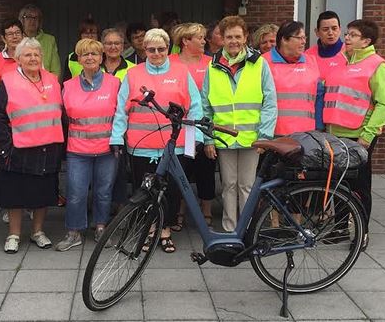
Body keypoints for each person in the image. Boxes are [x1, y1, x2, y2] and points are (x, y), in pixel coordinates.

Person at [110, 28, 204, 253]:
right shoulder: (132, 75)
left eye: (161, 49)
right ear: (144, 51)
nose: (156, 53)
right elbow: (121, 110)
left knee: (171, 191)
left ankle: (165, 230)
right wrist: (116, 137)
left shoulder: (182, 72)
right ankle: (149, 229)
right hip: (141, 146)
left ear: (168, 49)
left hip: (175, 146)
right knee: (144, 192)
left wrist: (196, 138)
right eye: (151, 49)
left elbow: (195, 108)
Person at [323, 19, 385, 251]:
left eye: (353, 35)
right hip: (336, 133)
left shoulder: (377, 66)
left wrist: (367, 135)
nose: (347, 38)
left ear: (367, 41)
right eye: (348, 34)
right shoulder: (343, 62)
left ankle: (362, 232)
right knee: (338, 183)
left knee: (359, 185)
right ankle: (340, 227)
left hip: (358, 136)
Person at [0, 38, 64, 253]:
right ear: (18, 59)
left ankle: (37, 232)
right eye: (28, 55)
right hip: (19, 148)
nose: (33, 58)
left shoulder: (52, 79)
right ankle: (13, 234)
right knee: (16, 194)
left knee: (43, 192)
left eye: (36, 54)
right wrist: (6, 144)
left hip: (48, 147)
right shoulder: (8, 80)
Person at [202, 15, 277, 232]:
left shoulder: (259, 64)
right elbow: (206, 105)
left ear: (245, 38)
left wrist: (264, 136)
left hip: (252, 138)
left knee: (247, 186)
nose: (233, 41)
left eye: (237, 36)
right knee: (228, 185)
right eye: (228, 37)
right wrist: (208, 138)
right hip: (223, 136)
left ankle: (246, 229)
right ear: (221, 40)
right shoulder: (212, 66)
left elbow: (270, 102)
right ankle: (230, 229)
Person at [55, 39, 120, 251]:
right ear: (79, 59)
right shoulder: (68, 86)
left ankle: (101, 227)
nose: (90, 57)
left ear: (102, 58)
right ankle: (74, 232)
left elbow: (120, 116)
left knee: (103, 192)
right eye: (85, 54)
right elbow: (62, 117)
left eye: (94, 54)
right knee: (76, 192)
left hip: (107, 150)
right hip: (78, 150)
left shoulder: (115, 83)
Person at [169, 22, 215, 228]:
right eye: (200, 37)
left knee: (206, 166)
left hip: (204, 122)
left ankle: (206, 211)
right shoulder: (170, 62)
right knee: (183, 167)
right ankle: (179, 210)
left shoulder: (211, 63)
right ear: (186, 41)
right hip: (180, 125)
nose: (205, 41)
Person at [263, 21, 323, 136]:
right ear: (284, 40)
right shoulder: (263, 63)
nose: (304, 42)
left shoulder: (312, 62)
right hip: (273, 135)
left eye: (304, 37)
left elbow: (319, 96)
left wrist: (319, 128)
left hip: (307, 135)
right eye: (299, 38)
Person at [0, 18, 24, 97]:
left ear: (23, 36)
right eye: (10, 34)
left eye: (17, 33)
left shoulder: (32, 57)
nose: (14, 36)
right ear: (3, 38)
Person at [18, 4, 61, 77]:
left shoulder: (49, 40)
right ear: (22, 20)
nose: (32, 20)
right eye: (28, 17)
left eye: (35, 18)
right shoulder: (17, 40)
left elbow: (56, 70)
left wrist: (49, 86)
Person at [305, 10, 345, 80]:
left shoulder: (351, 53)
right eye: (325, 29)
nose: (330, 33)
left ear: (340, 30)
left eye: (334, 29)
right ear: (317, 32)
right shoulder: (308, 55)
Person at [62, 18, 99, 82]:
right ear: (80, 36)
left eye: (93, 33)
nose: (90, 36)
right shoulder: (71, 58)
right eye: (86, 33)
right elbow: (66, 84)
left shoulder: (104, 56)